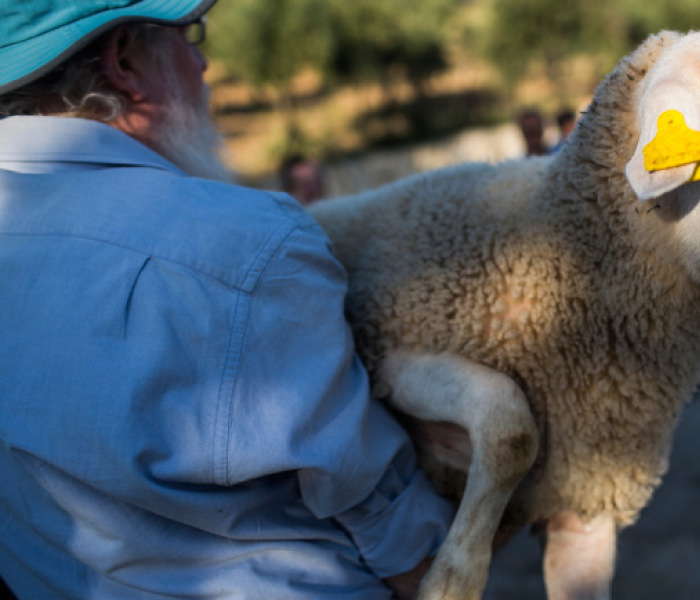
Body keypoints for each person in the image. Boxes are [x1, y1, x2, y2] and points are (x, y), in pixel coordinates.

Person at [0, 2, 453, 598]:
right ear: (125, 62)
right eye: (189, 36)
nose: (203, 61)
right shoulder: (248, 246)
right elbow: (401, 542)